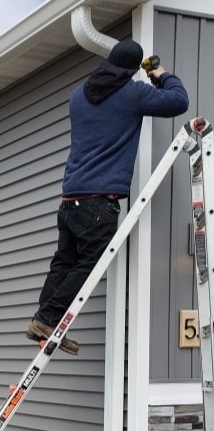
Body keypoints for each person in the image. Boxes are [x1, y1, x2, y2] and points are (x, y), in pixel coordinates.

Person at [27, 39, 189, 355]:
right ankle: (47, 318)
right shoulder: (133, 94)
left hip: (70, 198)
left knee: (64, 261)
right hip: (99, 201)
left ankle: (43, 318)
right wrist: (160, 73)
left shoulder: (78, 97)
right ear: (131, 69)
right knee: (89, 262)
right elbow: (179, 101)